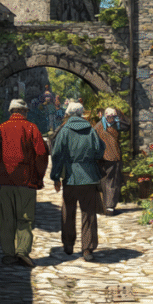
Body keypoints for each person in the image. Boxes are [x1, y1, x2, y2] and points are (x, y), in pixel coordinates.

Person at [0, 99, 50, 267]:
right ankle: (22, 251)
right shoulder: (31, 129)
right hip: (26, 181)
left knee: (6, 219)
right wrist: (38, 177)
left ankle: (8, 253)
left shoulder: (0, 129)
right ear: (24, 112)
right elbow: (41, 154)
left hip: (5, 181)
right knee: (25, 218)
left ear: (11, 112)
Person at [50, 102, 106, 261]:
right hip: (89, 177)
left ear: (68, 114)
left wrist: (56, 177)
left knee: (68, 212)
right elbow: (100, 151)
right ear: (81, 114)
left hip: (70, 177)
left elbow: (57, 155)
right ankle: (87, 248)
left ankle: (68, 244)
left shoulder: (65, 130)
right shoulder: (91, 130)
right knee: (89, 213)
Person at [93, 107, 128, 216]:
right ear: (106, 116)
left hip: (110, 157)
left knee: (109, 181)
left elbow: (127, 125)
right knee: (109, 182)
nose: (111, 119)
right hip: (107, 157)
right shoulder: (99, 126)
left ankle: (108, 207)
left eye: (113, 116)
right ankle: (109, 207)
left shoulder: (115, 124)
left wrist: (120, 116)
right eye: (110, 117)